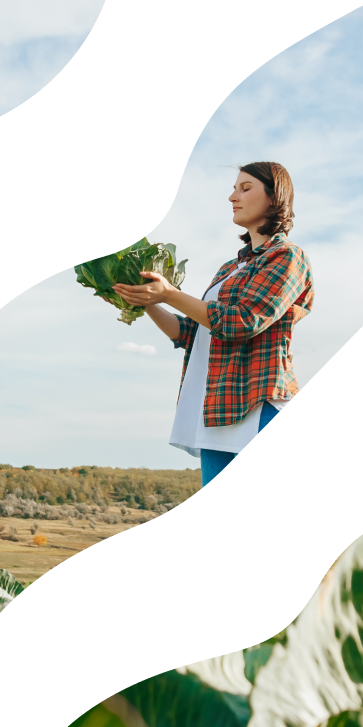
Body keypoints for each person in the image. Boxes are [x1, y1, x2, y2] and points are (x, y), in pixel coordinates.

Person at [112, 162, 313, 487]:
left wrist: (170, 293)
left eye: (245, 188)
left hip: (257, 402)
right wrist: (146, 300)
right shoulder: (229, 268)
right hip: (217, 409)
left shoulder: (288, 257)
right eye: (235, 188)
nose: (233, 196)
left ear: (275, 198)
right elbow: (192, 333)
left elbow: (243, 322)